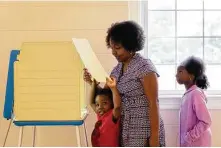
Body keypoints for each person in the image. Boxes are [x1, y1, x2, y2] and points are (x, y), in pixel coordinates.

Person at [84, 20, 165, 147]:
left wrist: (154, 137)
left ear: (131, 46)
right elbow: (105, 96)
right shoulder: (117, 70)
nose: (113, 52)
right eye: (112, 48)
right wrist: (91, 82)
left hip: (143, 129)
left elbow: (153, 103)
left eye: (118, 48)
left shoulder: (144, 67)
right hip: (123, 129)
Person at [176, 56, 212, 147]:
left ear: (191, 76)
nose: (176, 75)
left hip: (198, 143)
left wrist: (189, 137)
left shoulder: (195, 94)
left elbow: (206, 121)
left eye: (180, 71)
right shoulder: (188, 94)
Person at [90, 77, 121, 147]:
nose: (100, 107)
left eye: (104, 103)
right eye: (97, 104)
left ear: (111, 103)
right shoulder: (100, 114)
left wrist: (113, 88)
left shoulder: (112, 115)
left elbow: (117, 106)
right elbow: (91, 103)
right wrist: (93, 85)